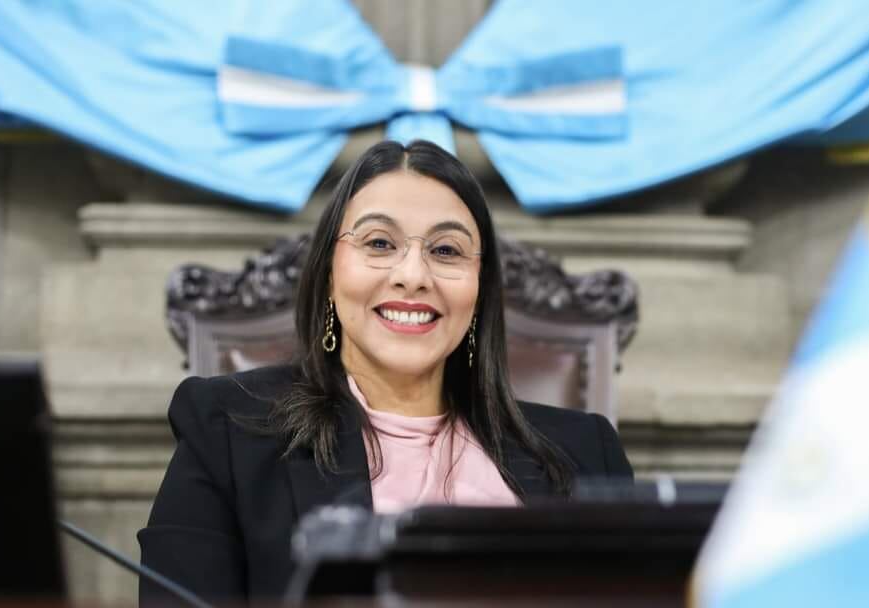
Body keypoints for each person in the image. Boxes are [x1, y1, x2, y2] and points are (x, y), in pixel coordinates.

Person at [138, 140, 633, 604]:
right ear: (329, 273)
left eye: (446, 250)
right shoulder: (228, 431)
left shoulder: (588, 454)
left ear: (480, 289)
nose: (412, 276)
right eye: (378, 243)